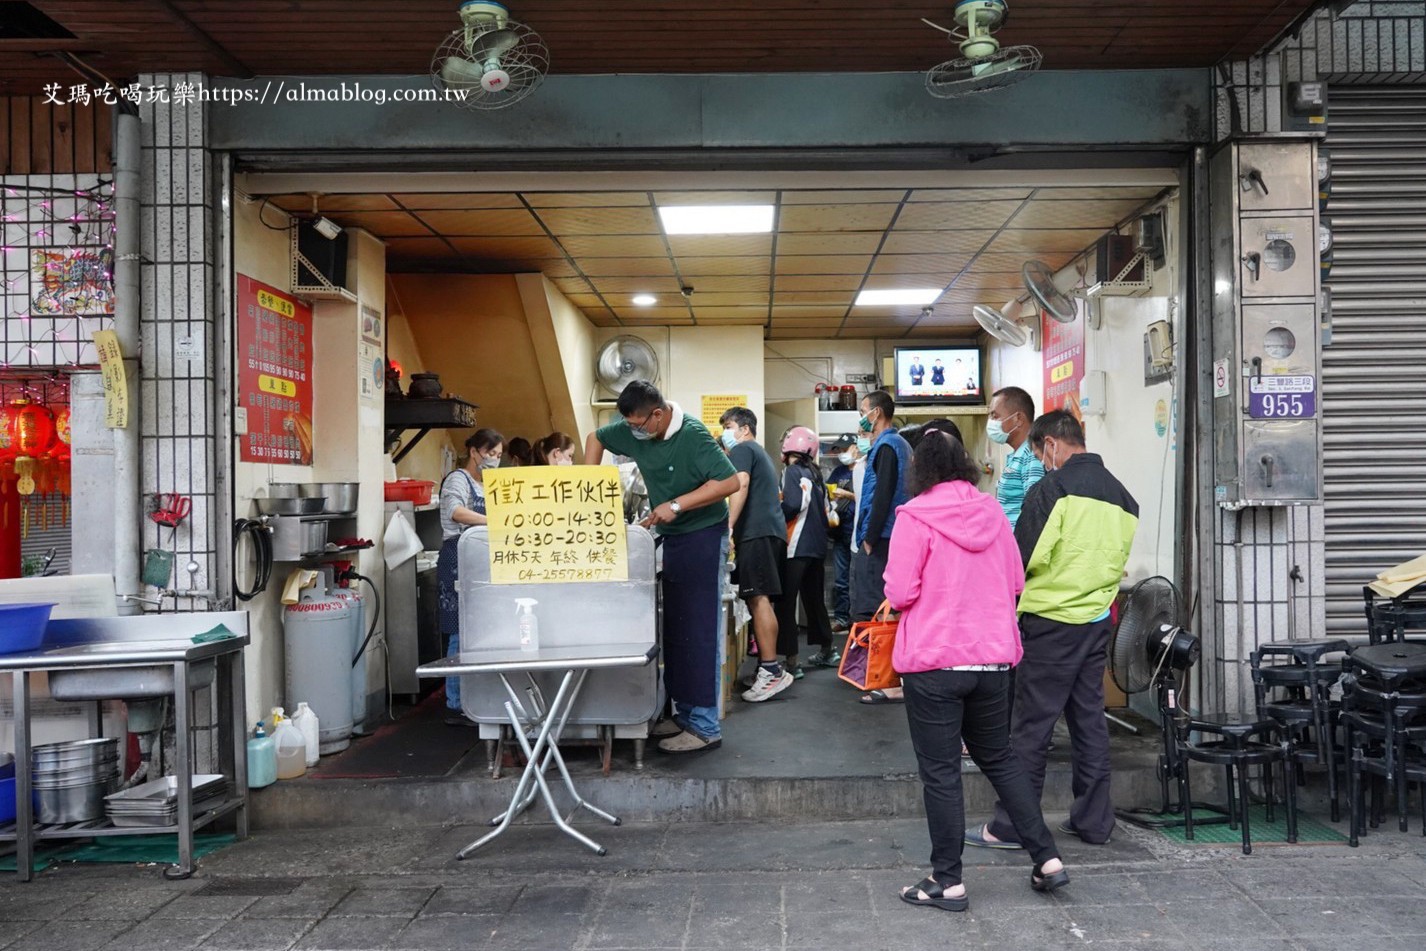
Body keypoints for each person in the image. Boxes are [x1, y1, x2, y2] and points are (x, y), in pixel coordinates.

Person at [885, 429, 1069, 911]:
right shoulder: (992, 513)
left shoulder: (914, 516)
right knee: (1001, 759)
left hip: (935, 662)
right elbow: (1014, 582)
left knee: (941, 773)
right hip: (992, 660)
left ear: (920, 469)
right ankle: (1047, 859)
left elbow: (901, 591)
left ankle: (947, 880)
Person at [968, 410, 1139, 850]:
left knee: (1031, 728)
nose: (1043, 461)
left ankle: (1012, 827)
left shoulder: (1053, 489)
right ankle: (1094, 822)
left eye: (1041, 453)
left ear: (1051, 445)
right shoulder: (1124, 498)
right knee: (1089, 723)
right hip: (1096, 623)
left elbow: (1020, 559)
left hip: (1049, 624)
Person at [584, 381, 741, 753]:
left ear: (658, 414)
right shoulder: (633, 427)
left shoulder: (693, 436)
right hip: (674, 538)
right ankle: (681, 713)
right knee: (676, 626)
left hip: (703, 533)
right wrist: (586, 487)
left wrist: (677, 505)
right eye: (629, 425)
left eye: (639, 425)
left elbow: (731, 481)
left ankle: (704, 727)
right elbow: (595, 437)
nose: (634, 432)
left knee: (699, 627)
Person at [719, 407, 795, 700]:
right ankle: (770, 666)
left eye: (729, 426)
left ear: (744, 428)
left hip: (757, 533)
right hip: (768, 533)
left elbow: (741, 484)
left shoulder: (743, 449)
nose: (727, 431)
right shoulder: (758, 452)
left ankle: (771, 671)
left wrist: (728, 526)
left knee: (758, 598)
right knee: (760, 599)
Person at [437, 428, 503, 726]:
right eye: (491, 453)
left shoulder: (486, 483)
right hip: (457, 559)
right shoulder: (457, 479)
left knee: (479, 631)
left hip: (482, 561)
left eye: (499, 456)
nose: (494, 460)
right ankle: (455, 702)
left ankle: (475, 699)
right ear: (475, 451)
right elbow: (455, 511)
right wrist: (493, 521)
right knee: (459, 632)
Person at [853, 389, 912, 706]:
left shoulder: (889, 446)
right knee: (883, 605)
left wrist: (870, 537)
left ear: (876, 413)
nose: (861, 416)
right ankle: (883, 673)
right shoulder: (894, 445)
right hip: (889, 535)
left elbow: (884, 495)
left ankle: (885, 677)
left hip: (884, 537)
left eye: (863, 410)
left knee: (879, 606)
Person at [778, 426, 837, 670]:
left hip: (796, 545)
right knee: (814, 600)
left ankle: (791, 661)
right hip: (817, 546)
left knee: (786, 601)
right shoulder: (816, 475)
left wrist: (775, 514)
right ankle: (827, 650)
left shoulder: (791, 471)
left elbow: (792, 504)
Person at [988, 386, 1044, 529]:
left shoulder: (1031, 454)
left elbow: (1034, 508)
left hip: (1019, 544)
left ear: (1018, 419)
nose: (991, 422)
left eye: (995, 416)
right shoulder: (1017, 455)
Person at [825, 434, 858, 633]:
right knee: (841, 579)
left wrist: (847, 495)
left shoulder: (866, 469)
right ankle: (841, 617)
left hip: (858, 532)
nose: (841, 454)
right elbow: (827, 492)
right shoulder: (838, 472)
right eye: (838, 450)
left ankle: (859, 617)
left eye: (844, 449)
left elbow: (868, 499)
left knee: (859, 577)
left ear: (856, 447)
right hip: (839, 531)